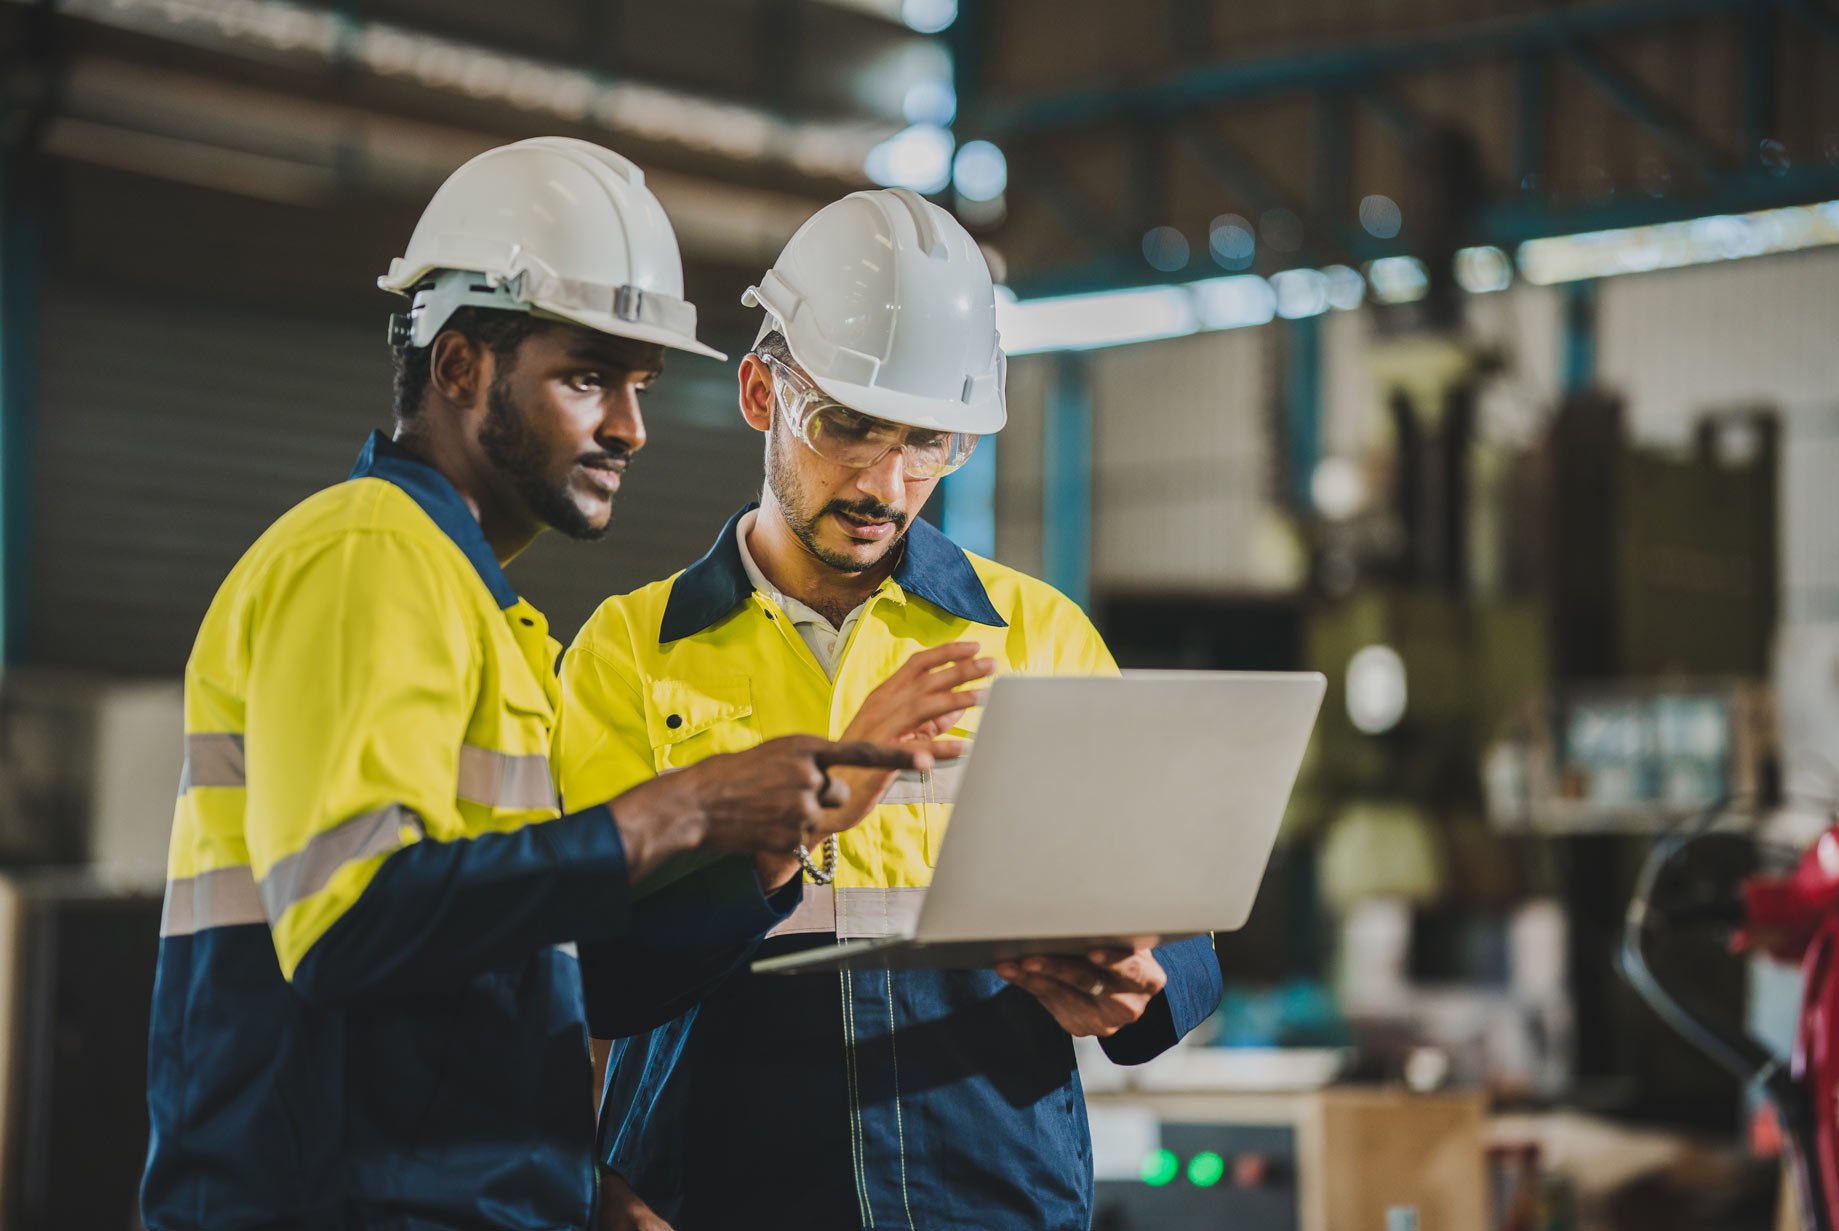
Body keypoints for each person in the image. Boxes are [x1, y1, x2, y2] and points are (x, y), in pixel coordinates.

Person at [140, 137, 934, 1231]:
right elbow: (350, 924)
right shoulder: (370, 553)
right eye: (587, 377)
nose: (630, 427)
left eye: (639, 385)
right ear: (459, 365)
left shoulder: (486, 615)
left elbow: (496, 967)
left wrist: (578, 1188)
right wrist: (690, 805)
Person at [557, 187, 1223, 1231]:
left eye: (930, 442)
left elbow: (1180, 930)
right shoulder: (629, 654)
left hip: (992, 1203)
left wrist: (1142, 987)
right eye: (847, 426)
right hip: (714, 1201)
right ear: (758, 392)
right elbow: (590, 970)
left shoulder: (1036, 636)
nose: (886, 480)